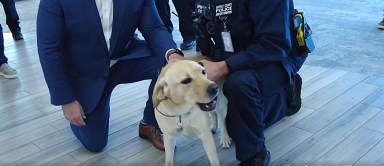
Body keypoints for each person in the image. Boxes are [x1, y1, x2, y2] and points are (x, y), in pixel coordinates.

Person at [37, 0, 184, 152]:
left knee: (168, 67)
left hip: (123, 57)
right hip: (86, 72)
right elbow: (49, 51)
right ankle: (88, 107)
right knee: (95, 144)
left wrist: (172, 54)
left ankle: (149, 122)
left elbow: (153, 27)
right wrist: (66, 100)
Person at [189, 0, 309, 165]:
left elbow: (274, 45)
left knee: (239, 85)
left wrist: (224, 67)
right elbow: (204, 28)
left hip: (278, 56)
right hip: (234, 51)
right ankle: (275, 97)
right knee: (234, 126)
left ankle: (255, 155)